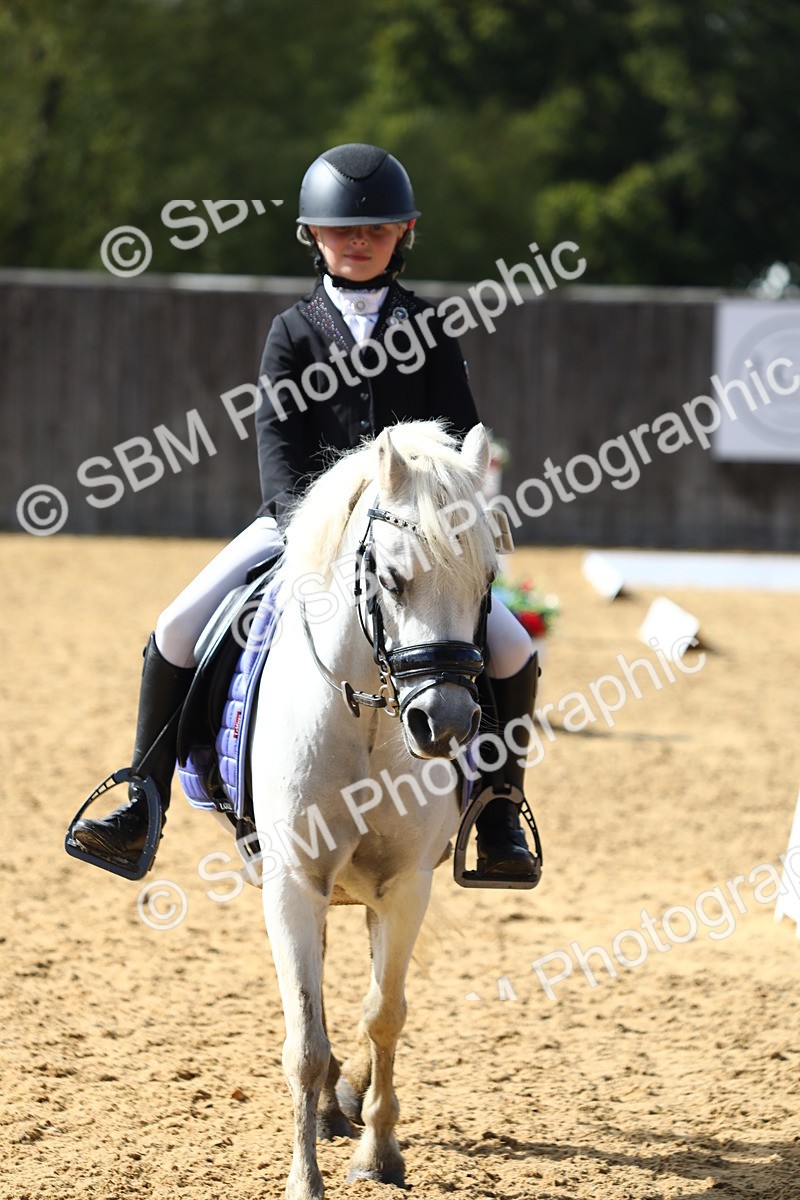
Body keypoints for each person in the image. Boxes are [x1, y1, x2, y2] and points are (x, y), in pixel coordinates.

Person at [71, 143, 541, 883]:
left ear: (406, 232)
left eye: (377, 230)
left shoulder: (433, 329)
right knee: (176, 628)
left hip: (409, 536)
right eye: (342, 231)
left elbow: (456, 441)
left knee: (512, 650)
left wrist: (453, 517)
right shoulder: (292, 331)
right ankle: (141, 801)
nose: (359, 241)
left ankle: (500, 811)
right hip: (300, 525)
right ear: (312, 237)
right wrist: (309, 529)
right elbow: (277, 443)